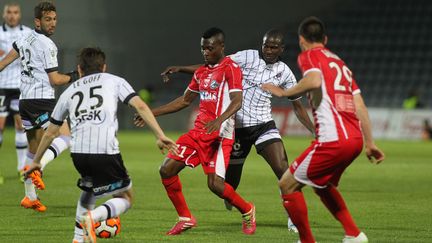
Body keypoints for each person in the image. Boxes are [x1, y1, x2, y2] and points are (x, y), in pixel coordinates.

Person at [158, 29, 315, 232]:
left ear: (282, 49)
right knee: (226, 182)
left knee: (282, 167)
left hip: (263, 126)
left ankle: (293, 217)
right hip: (236, 128)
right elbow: (215, 65)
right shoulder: (247, 56)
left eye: (274, 47)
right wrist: (182, 69)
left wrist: (313, 130)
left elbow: (298, 106)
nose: (268, 50)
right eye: (266, 45)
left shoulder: (284, 72)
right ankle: (234, 199)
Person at [24, 47, 178, 243]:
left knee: (88, 189)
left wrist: (37, 161)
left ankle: (78, 239)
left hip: (78, 154)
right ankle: (93, 218)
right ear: (104, 67)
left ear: (79, 69)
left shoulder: (69, 91)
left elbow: (51, 132)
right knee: (126, 198)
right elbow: (139, 105)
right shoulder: (114, 81)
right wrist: (160, 134)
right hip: (104, 151)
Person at [262, 16, 385, 243]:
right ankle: (354, 235)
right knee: (322, 184)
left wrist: (283, 92)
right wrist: (370, 143)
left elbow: (314, 80)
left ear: (301, 40)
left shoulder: (309, 55)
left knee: (287, 184)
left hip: (333, 140)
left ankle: (307, 241)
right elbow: (360, 106)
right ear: (325, 39)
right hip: (355, 140)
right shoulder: (340, 64)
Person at [152, 27, 256, 235]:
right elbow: (184, 101)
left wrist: (220, 120)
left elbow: (238, 100)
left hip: (220, 135)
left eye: (209, 48)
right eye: (203, 48)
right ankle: (185, 217)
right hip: (199, 133)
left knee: (216, 186)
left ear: (221, 46)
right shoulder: (201, 73)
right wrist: (151, 112)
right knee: (166, 169)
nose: (205, 52)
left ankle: (247, 210)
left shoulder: (231, 68)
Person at [0, 2, 76, 211]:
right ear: (37, 21)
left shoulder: (23, 38)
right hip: (42, 100)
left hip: (24, 102)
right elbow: (55, 79)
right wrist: (74, 75)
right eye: (48, 19)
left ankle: (30, 197)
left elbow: (3, 62)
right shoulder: (48, 45)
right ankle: (38, 169)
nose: (52, 24)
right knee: (66, 137)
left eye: (54, 19)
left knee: (33, 149)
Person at [0, 3, 31, 179]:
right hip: (1, 85)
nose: (12, 16)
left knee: (21, 126)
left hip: (20, 86)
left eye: (15, 12)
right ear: (4, 15)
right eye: (9, 13)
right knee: (0, 127)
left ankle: (21, 168)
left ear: (19, 15)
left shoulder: (27, 33)